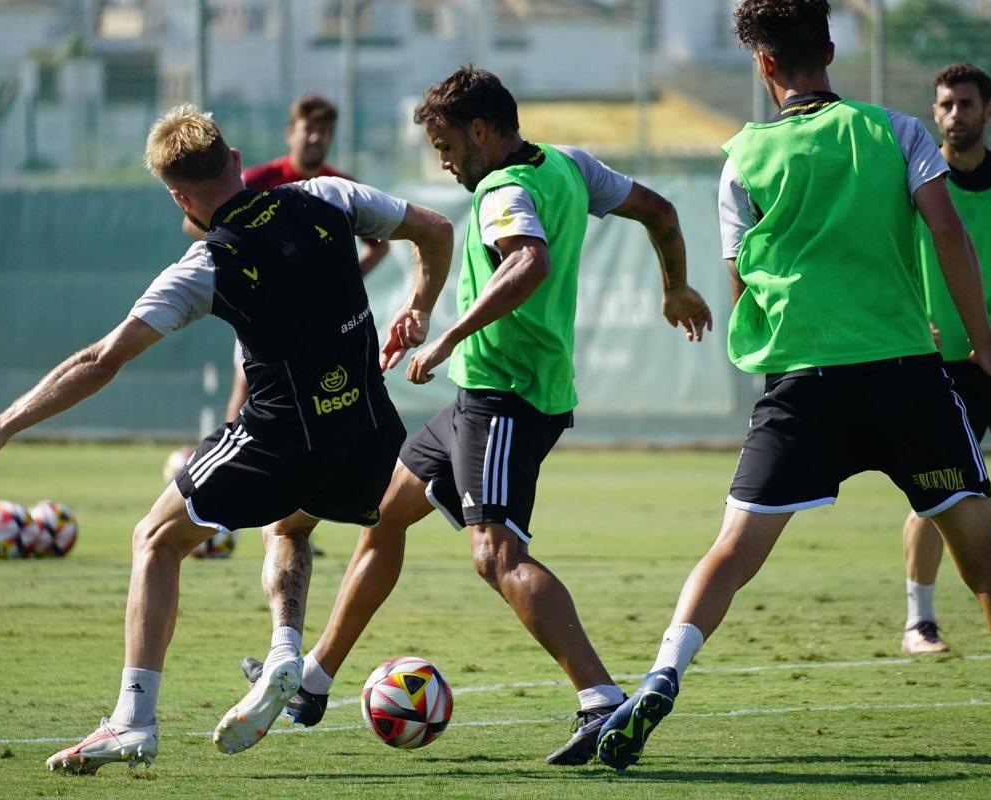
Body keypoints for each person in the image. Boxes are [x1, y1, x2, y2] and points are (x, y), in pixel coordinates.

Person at [241, 66, 714, 766]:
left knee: (495, 554)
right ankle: (312, 682)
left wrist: (448, 338)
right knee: (385, 512)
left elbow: (529, 263)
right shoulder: (571, 166)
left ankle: (602, 701)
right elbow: (662, 213)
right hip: (493, 395)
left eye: (446, 144)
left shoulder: (503, 190)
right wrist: (675, 287)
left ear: (483, 131)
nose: (442, 158)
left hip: (505, 398)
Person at [0, 103, 454, 773]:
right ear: (236, 161)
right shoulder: (327, 197)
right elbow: (435, 229)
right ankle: (284, 651)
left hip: (280, 437)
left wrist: (2, 423)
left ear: (178, 196)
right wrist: (419, 307)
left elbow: (99, 362)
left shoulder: (205, 265)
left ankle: (132, 719)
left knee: (156, 539)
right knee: (289, 528)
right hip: (367, 434)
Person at [596, 0, 991, 773]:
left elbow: (739, 280)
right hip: (901, 375)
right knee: (983, 555)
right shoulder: (896, 132)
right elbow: (947, 232)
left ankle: (661, 675)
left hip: (801, 387)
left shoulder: (741, 159)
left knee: (731, 551)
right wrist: (985, 345)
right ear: (827, 48)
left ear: (762, 65)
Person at [901, 63, 991, 655]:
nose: (955, 115)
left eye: (966, 104)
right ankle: (919, 622)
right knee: (938, 492)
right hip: (938, 365)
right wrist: (909, 314)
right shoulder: (918, 182)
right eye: (945, 104)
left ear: (988, 112)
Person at [215, 94, 390, 427]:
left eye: (324, 130)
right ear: (290, 133)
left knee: (329, 390)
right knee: (247, 377)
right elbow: (197, 224)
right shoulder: (255, 181)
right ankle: (227, 456)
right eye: (308, 128)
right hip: (265, 309)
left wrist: (343, 281)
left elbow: (380, 246)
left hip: (323, 318)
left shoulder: (339, 187)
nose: (315, 137)